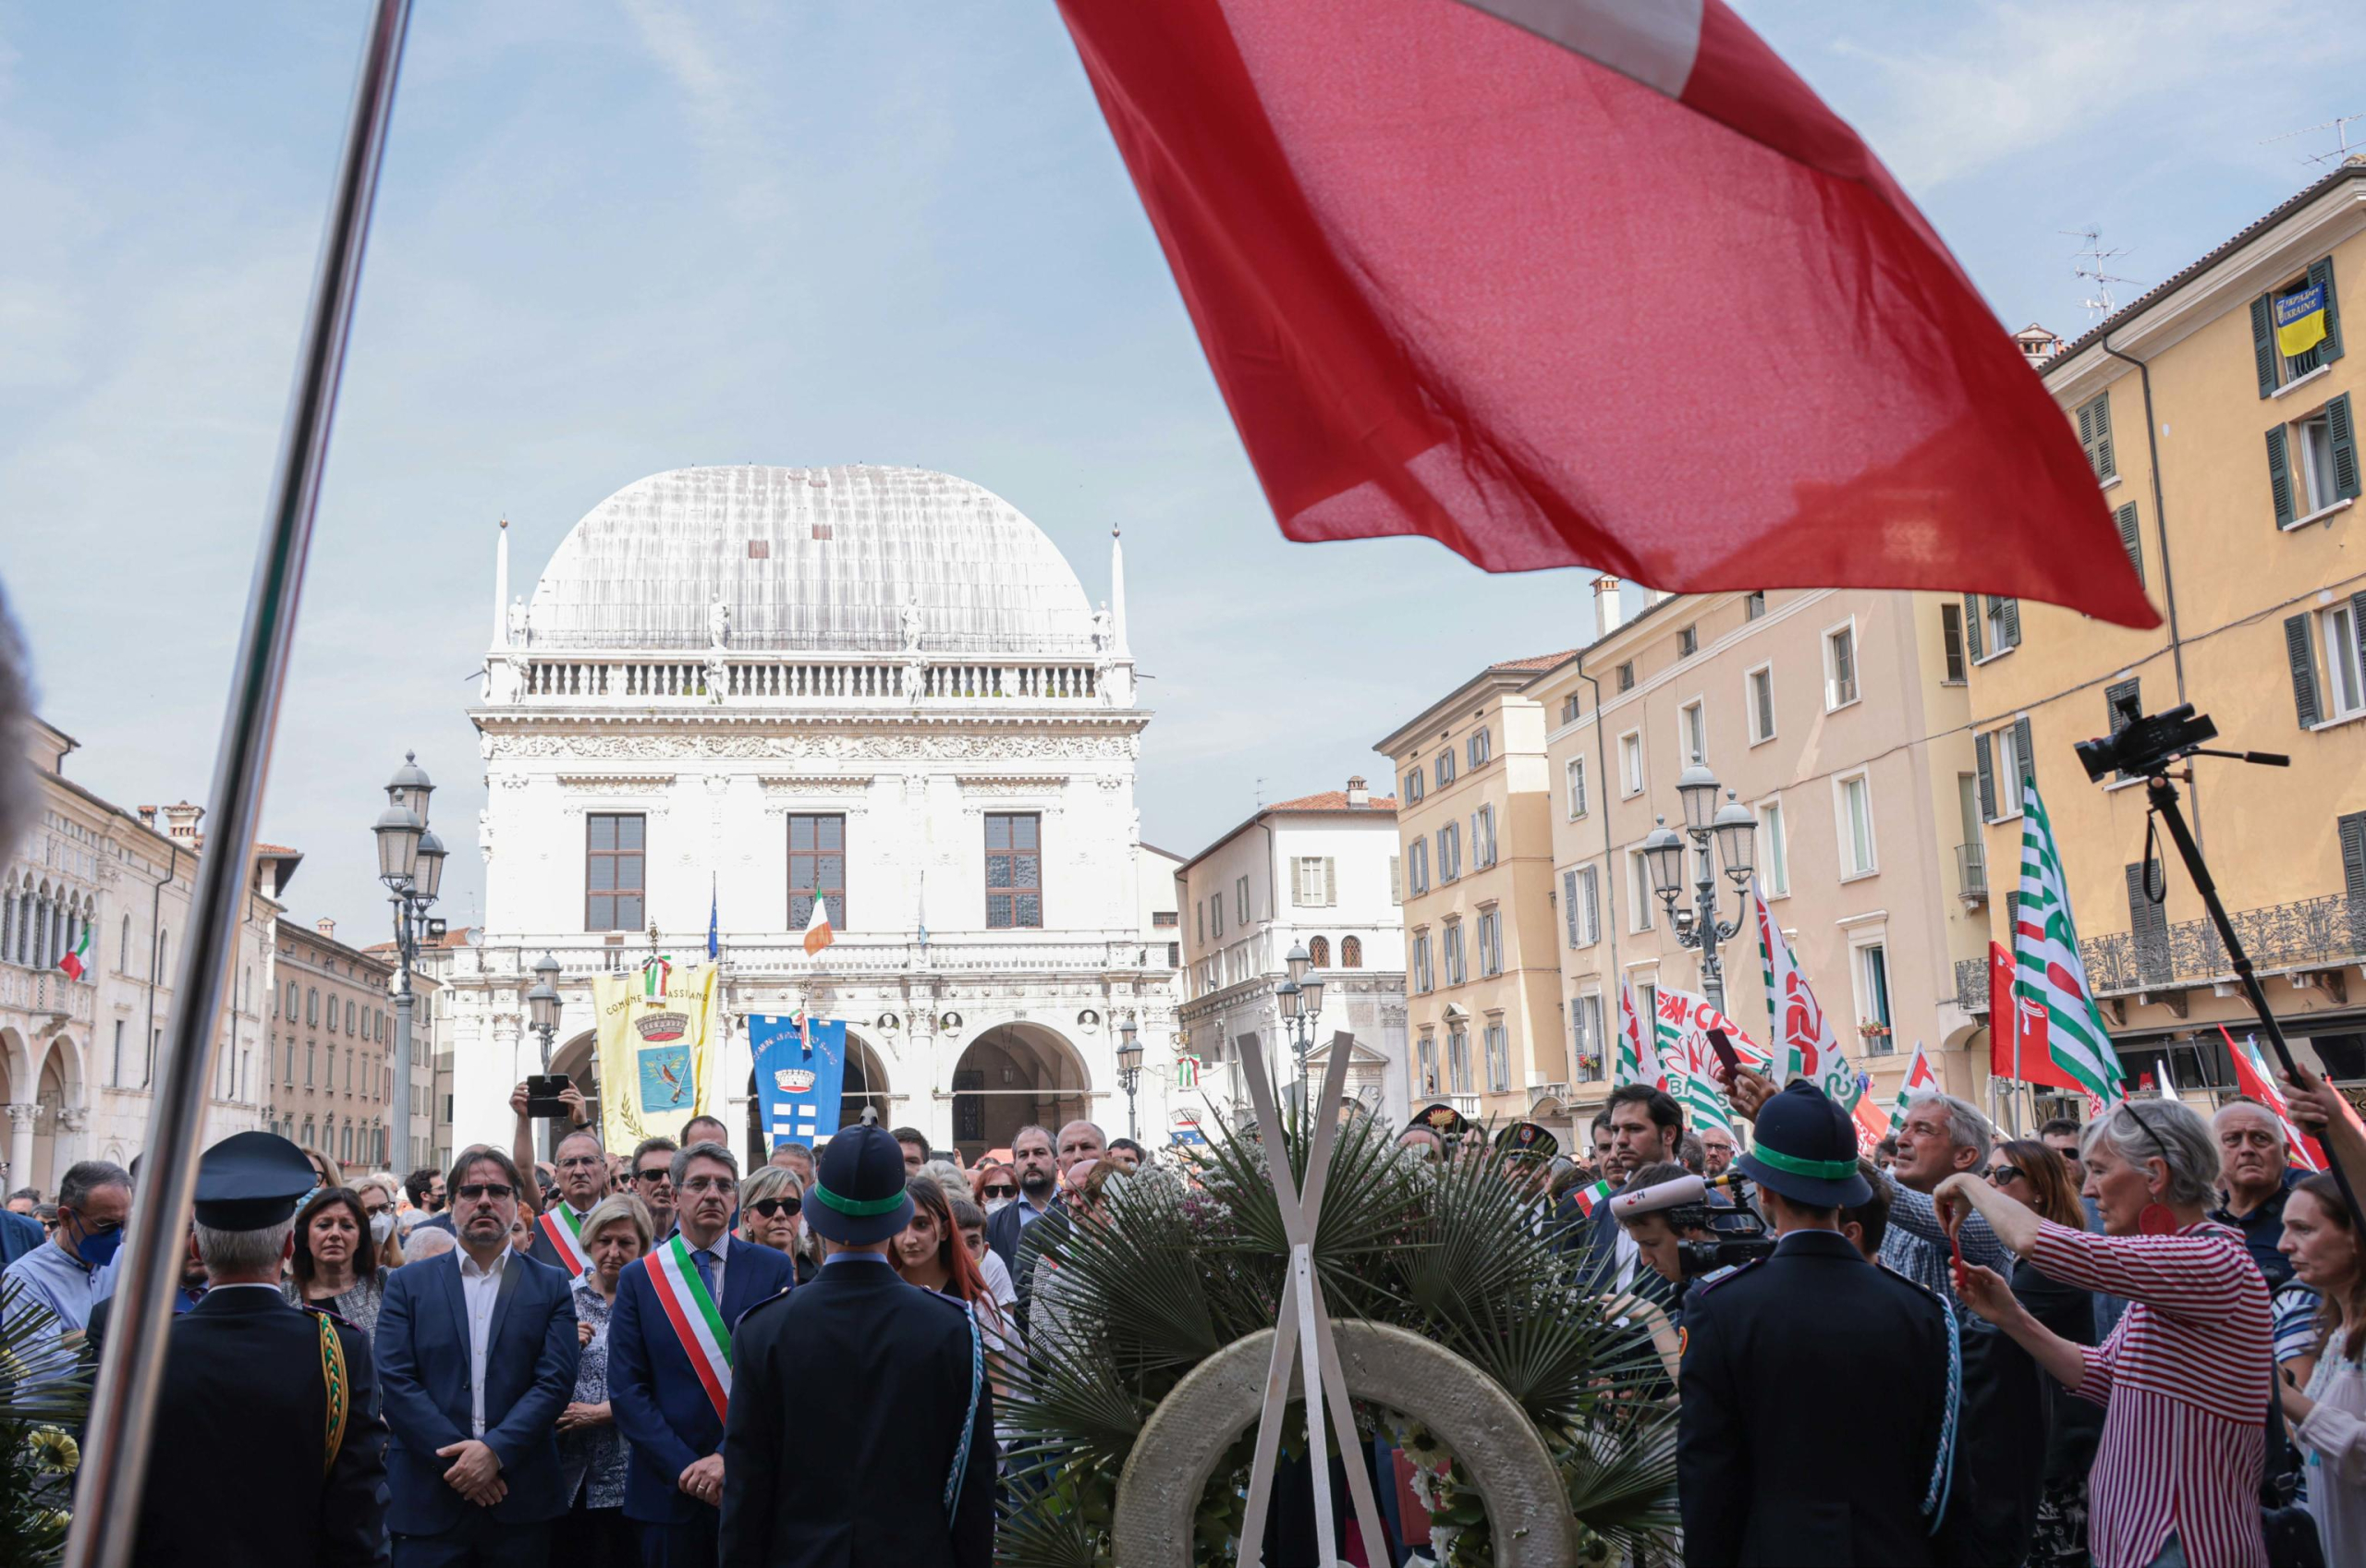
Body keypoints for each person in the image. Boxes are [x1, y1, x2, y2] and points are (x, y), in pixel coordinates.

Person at [1936, 1096, 2272, 1568]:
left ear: (2154, 1175)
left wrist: (1971, 1182)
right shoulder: (2173, 1264)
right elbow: (2106, 1376)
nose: (2088, 1190)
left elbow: (2038, 1240)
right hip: (2139, 1540)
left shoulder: (2213, 1262)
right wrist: (2012, 1317)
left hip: (2183, 1544)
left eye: (2098, 1170)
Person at [1678, 1079, 1957, 1565]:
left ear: (1764, 1191)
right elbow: (1942, 1481)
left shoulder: (1721, 1306)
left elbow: (1709, 1478)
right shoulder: (1923, 1310)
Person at [721, 1120, 994, 1568]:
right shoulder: (951, 1328)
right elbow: (974, 1489)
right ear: (899, 1215)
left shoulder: (763, 1329)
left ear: (816, 1213)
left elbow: (747, 1490)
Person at [127, 1130, 388, 1567]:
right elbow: (358, 1505)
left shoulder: (142, 1351)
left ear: (196, 1246)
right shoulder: (337, 1349)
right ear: (289, 1246)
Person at [375, 1145, 582, 1566]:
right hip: (428, 1500)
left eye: (498, 1191)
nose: (485, 1201)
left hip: (519, 1498)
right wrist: (463, 1461)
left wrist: (494, 1453)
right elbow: (396, 1381)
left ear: (516, 1203)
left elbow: (555, 1382)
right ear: (451, 1206)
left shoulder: (551, 1285)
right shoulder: (407, 1285)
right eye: (471, 1192)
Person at [609, 1140, 796, 1564]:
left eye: (724, 1185)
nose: (712, 1193)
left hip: (750, 1480)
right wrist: (689, 1470)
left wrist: (728, 1459)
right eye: (698, 1184)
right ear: (674, 1196)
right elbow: (626, 1391)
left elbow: (783, 1380)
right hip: (667, 1489)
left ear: (736, 1200)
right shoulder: (641, 1278)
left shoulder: (772, 1269)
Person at [1987, 1138, 2103, 1568]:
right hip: (2043, 1436)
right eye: (1987, 1174)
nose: (1990, 1185)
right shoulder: (2025, 1258)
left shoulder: (2055, 1262)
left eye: (2001, 1176)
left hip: (2059, 1448)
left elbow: (1989, 1332)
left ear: (2039, 1189)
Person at [555, 1193, 652, 1568]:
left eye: (625, 1242)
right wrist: (560, 1346)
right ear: (589, 1242)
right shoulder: (561, 1297)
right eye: (604, 1241)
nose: (613, 1251)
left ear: (642, 1245)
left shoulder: (656, 1300)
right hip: (565, 1470)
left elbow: (665, 1381)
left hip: (631, 1473)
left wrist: (604, 1413)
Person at [2275, 1171, 2366, 1564]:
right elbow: (2319, 1448)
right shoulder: (2336, 1334)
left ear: (2355, 1236)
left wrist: (2287, 1398)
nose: (2283, 1245)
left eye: (2304, 1229)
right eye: (2284, 1228)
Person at [2, 1158, 130, 1370]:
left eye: (123, 1224)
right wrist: (117, 1343)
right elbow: (49, 1370)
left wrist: (74, 1339)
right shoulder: (24, 1277)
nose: (117, 1237)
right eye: (105, 1224)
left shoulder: (130, 1262)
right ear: (65, 1218)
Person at [1569, 1084, 1681, 1278]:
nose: (1619, 1140)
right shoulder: (1605, 1208)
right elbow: (1585, 1283)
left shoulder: (1705, 1202)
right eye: (1615, 1130)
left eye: (1634, 1128)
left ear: (1668, 1134)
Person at [287, 1186, 393, 1337]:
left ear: (359, 1239)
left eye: (346, 1226)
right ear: (306, 1237)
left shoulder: (386, 1285)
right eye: (324, 1225)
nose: (335, 1234)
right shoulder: (283, 1297)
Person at [526, 1124, 611, 1278]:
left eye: (588, 1161)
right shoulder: (536, 1231)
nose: (579, 1171)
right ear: (557, 1175)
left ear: (605, 1169)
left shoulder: (627, 1224)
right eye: (569, 1163)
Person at [983, 1124, 1058, 1277]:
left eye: (1039, 1153)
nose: (1031, 1161)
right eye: (1023, 1155)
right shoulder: (994, 1224)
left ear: (1057, 1161)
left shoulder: (1079, 1211)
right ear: (1015, 1165)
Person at [738, 1164, 805, 1265]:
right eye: (767, 1206)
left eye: (791, 1206)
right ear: (747, 1219)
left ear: (800, 1215)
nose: (780, 1214)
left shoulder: (818, 1276)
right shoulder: (729, 1276)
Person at [630, 1137, 679, 1239]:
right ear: (635, 1185)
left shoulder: (696, 1237)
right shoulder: (621, 1238)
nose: (665, 1182)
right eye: (653, 1174)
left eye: (673, 1174)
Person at [408, 1166, 452, 1234]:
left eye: (444, 1188)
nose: (445, 1192)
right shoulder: (412, 1228)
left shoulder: (450, 1222)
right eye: (440, 1188)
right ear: (425, 1196)